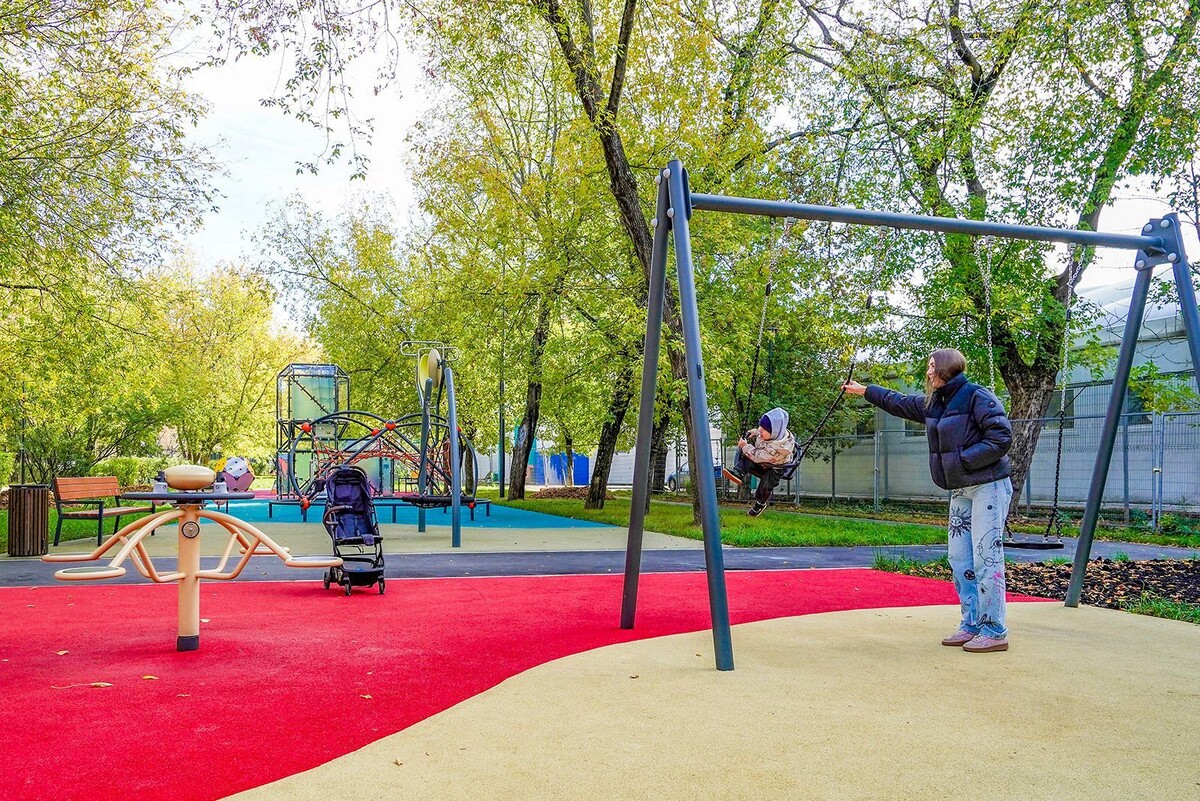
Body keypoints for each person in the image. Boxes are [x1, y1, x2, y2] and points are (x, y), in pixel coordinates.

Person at [843, 348, 1014, 654]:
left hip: (988, 485)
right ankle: (971, 623)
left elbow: (1001, 436)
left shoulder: (976, 396)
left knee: (985, 557)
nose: (928, 372)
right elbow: (899, 402)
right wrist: (866, 390)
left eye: (932, 366)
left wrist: (963, 460)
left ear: (947, 368)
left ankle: (994, 629)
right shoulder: (936, 403)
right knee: (960, 558)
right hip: (962, 488)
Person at [722, 407, 795, 517]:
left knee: (764, 487)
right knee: (747, 458)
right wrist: (755, 432)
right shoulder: (770, 434)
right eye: (760, 427)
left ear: (774, 432)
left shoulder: (779, 449)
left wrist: (745, 446)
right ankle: (738, 473)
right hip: (763, 462)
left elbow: (757, 456)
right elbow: (761, 432)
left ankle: (760, 504)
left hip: (775, 469)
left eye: (763, 430)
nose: (760, 431)